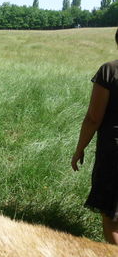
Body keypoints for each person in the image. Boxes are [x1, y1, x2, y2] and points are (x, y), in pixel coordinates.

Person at [71, 28, 118, 245]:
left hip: (114, 154)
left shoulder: (110, 70)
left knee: (112, 216)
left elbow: (93, 118)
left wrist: (79, 148)